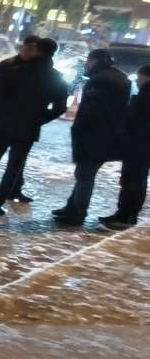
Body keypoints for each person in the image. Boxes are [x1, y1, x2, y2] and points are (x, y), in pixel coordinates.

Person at [0, 35, 69, 218]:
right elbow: (60, 107)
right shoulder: (56, 77)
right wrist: (41, 118)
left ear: (38, 50)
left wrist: (1, 116)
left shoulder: (15, 69)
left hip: (3, 125)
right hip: (28, 129)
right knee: (13, 168)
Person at [54, 48, 131, 226]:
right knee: (84, 174)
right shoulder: (120, 78)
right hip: (106, 135)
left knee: (85, 175)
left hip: (94, 135)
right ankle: (72, 206)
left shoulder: (101, 80)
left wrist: (79, 129)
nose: (86, 64)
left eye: (89, 60)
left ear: (96, 60)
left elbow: (92, 109)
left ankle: (77, 212)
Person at [100, 64, 150, 228]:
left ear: (146, 77)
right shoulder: (144, 94)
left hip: (138, 146)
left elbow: (136, 121)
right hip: (141, 146)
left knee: (132, 180)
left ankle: (126, 215)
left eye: (139, 76)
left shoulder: (146, 95)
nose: (137, 80)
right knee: (136, 179)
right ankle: (128, 213)